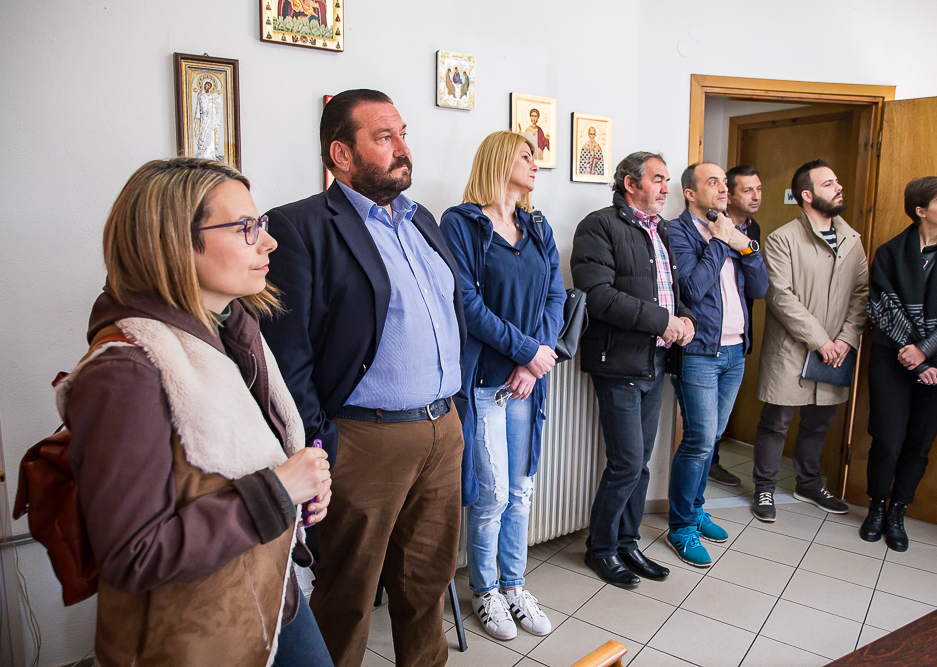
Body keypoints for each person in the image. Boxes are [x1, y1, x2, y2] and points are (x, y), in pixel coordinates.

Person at [63, 157, 334, 667]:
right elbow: (134, 554)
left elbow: (243, 464)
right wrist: (278, 492)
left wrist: (299, 489)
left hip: (269, 594)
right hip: (200, 633)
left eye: (261, 223)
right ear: (174, 242)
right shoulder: (127, 369)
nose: (268, 242)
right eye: (245, 227)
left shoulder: (234, 330)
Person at [259, 89, 466, 667]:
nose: (402, 148)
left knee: (427, 587)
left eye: (403, 134)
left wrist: (457, 416)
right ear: (341, 154)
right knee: (347, 596)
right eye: (384, 137)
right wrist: (324, 446)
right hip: (364, 440)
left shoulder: (422, 220)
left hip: (442, 429)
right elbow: (288, 357)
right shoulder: (300, 226)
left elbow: (452, 317)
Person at [440, 131, 565, 641]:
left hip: (524, 383)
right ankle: (485, 590)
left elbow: (555, 296)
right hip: (483, 383)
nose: (535, 164)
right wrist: (527, 351)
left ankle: (515, 585)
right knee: (490, 495)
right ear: (498, 161)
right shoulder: (461, 223)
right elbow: (466, 305)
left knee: (521, 491)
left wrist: (534, 362)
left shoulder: (537, 226)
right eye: (525, 155)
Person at [571, 152, 696, 587]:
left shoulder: (662, 229)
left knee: (640, 463)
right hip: (619, 363)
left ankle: (627, 543)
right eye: (658, 179)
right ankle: (601, 549)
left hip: (655, 362)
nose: (666, 188)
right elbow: (598, 296)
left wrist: (685, 319)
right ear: (630, 183)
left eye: (666, 180)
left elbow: (670, 292)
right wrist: (663, 321)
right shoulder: (599, 226)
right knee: (625, 462)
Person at [862, 177, 937, 551]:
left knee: (919, 443)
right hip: (892, 358)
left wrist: (926, 350)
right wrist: (914, 357)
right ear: (921, 210)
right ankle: (876, 506)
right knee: (886, 440)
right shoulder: (890, 252)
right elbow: (881, 308)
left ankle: (897, 512)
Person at [751, 158, 869, 522]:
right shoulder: (782, 238)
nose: (838, 187)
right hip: (793, 349)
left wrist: (845, 339)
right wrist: (821, 341)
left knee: (820, 421)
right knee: (777, 422)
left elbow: (862, 294)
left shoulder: (852, 240)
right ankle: (764, 488)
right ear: (807, 194)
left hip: (837, 350)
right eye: (829, 183)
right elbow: (780, 296)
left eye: (837, 182)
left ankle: (809, 484)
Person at [666, 163, 769, 567]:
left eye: (725, 182)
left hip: (734, 351)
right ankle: (681, 527)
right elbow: (692, 288)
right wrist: (721, 242)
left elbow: (759, 287)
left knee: (713, 438)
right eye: (714, 182)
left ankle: (695, 510)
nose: (724, 188)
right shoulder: (678, 232)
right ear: (690, 193)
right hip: (699, 353)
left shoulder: (735, 230)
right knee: (698, 440)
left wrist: (746, 246)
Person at [706, 165, 764, 487]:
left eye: (759, 189)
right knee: (703, 427)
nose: (755, 196)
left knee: (719, 418)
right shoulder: (711, 224)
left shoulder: (754, 229)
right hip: (708, 336)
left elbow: (756, 286)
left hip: (738, 332)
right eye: (747, 190)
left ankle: (711, 463)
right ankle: (708, 466)